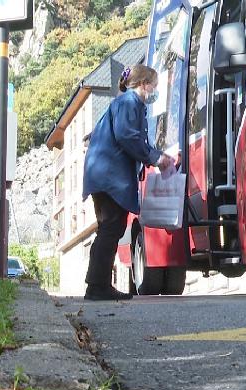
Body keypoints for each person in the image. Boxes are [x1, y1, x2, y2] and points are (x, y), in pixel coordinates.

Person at [82, 64, 174, 301]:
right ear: (144, 85)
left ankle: (97, 284)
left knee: (109, 228)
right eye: (153, 85)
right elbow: (127, 136)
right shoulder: (129, 103)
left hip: (103, 174)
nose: (154, 90)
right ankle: (97, 286)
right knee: (111, 228)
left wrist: (159, 156)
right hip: (110, 176)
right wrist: (156, 157)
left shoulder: (123, 103)